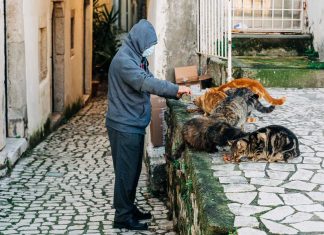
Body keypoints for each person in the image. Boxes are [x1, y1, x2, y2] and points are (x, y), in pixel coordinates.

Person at [106, 19, 191, 230]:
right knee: (126, 172)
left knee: (132, 171)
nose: (151, 49)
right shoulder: (124, 61)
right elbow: (146, 82)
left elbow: (148, 77)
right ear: (140, 40)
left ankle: (128, 207)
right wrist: (175, 89)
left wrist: (172, 90)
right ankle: (123, 217)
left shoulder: (136, 57)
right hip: (124, 125)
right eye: (149, 44)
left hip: (131, 123)